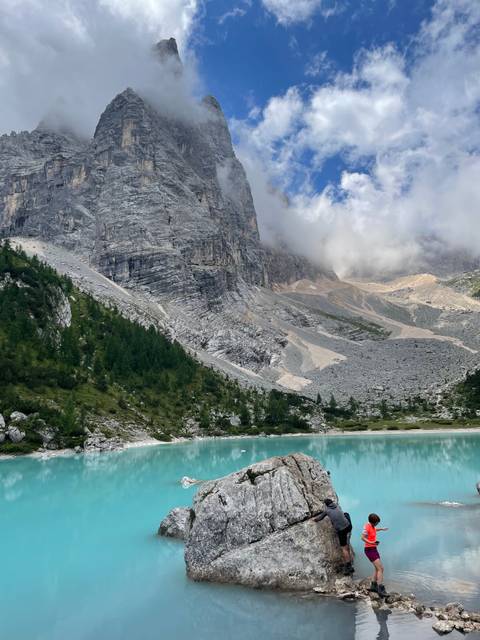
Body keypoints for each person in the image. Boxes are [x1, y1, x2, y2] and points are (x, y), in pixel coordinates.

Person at [313, 498, 354, 575]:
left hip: (341, 530)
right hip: (349, 526)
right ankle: (348, 545)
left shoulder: (327, 510)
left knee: (344, 548)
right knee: (346, 514)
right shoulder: (337, 506)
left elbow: (320, 518)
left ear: (326, 505)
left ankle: (349, 566)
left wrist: (314, 520)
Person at [361, 513, 389, 597]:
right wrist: (372, 542)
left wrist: (381, 529)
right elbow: (362, 538)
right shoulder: (366, 528)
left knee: (377, 568)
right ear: (373, 522)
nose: (377, 524)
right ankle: (380, 589)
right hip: (369, 550)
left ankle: (373, 586)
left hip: (373, 549)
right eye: (377, 522)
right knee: (381, 569)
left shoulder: (372, 526)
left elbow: (374, 529)